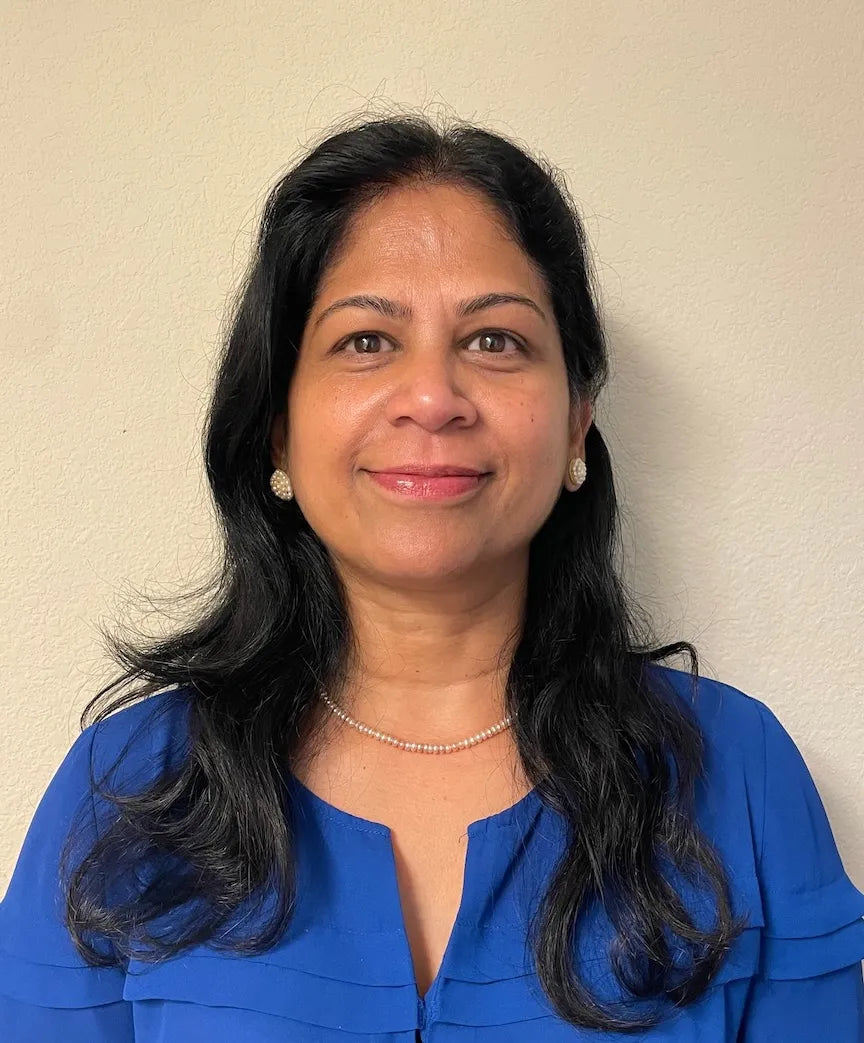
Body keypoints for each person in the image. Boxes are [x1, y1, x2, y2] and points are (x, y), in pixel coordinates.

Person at [1, 112, 863, 1042]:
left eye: (495, 340)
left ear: (577, 424)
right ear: (279, 426)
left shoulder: (738, 773)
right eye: (365, 341)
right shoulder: (124, 788)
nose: (432, 398)